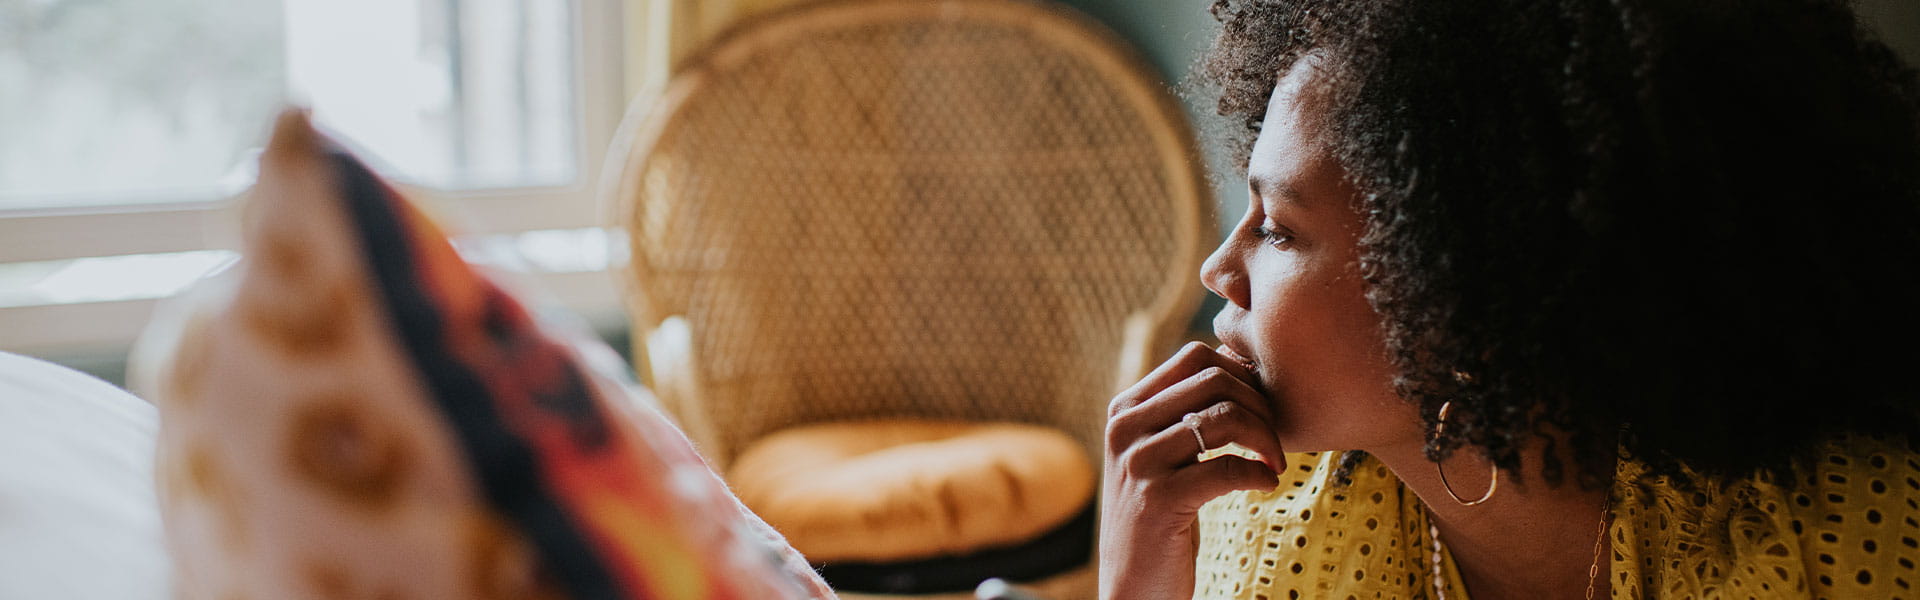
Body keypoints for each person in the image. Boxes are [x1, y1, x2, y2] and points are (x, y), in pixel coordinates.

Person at [1099, 1, 1920, 598]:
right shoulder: (1263, 522)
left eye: (1276, 229)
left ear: (1458, 281)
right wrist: (1135, 581)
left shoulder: (1852, 544)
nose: (1218, 268)